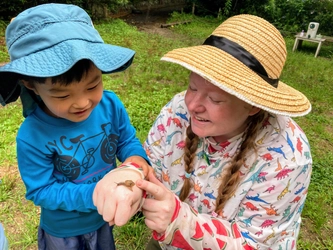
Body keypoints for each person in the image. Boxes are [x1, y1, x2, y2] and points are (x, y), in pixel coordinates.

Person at [135, 14, 312, 249]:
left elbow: (253, 243)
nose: (192, 105)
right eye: (192, 87)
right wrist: (129, 175)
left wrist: (180, 220)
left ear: (252, 105)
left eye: (215, 99)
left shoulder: (288, 156)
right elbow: (150, 166)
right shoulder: (178, 110)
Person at [0, 3, 150, 250]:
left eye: (93, 86)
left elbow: (126, 141)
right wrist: (97, 193)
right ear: (30, 84)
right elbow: (41, 190)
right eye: (61, 95)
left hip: (102, 219)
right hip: (63, 231)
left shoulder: (110, 105)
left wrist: (135, 165)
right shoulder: (32, 135)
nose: (82, 102)